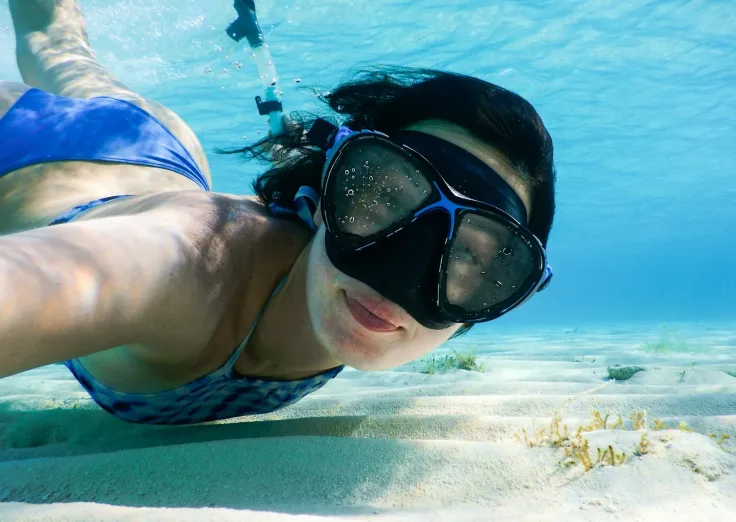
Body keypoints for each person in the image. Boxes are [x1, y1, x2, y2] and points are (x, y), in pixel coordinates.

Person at [0, 0, 556, 425]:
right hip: (24, 153)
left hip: (165, 150)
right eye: (386, 199)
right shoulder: (193, 263)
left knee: (56, 41)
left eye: (471, 259)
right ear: (322, 202)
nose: (399, 279)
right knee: (50, 39)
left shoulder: (334, 294)